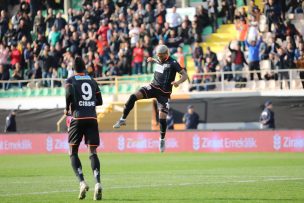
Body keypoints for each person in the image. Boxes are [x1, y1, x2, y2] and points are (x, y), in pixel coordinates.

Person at [113, 45, 188, 152]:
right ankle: (123, 119)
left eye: (161, 56)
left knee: (162, 118)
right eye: (158, 56)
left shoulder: (173, 63)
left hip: (164, 94)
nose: (159, 58)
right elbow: (159, 62)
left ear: (166, 55)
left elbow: (185, 75)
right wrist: (152, 60)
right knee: (133, 96)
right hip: (153, 87)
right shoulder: (159, 59)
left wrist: (178, 82)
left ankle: (162, 139)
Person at [65, 56, 103, 200]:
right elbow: (99, 100)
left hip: (77, 117)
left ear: (73, 68)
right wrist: (89, 102)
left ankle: (82, 182)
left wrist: (67, 107)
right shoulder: (92, 80)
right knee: (92, 151)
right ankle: (98, 183)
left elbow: (68, 94)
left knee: (72, 151)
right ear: (84, 67)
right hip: (92, 118)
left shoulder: (70, 81)